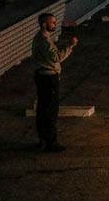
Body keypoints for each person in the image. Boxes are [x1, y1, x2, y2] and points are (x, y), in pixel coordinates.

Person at [31, 12, 78, 152]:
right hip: (48, 78)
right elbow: (56, 57)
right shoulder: (44, 40)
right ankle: (51, 142)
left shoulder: (42, 38)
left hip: (43, 76)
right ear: (44, 24)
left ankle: (43, 140)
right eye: (52, 22)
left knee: (43, 109)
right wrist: (70, 45)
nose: (54, 25)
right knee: (50, 110)